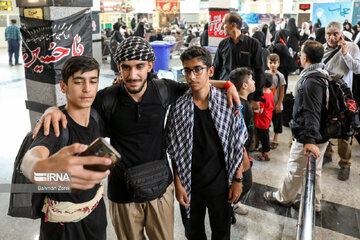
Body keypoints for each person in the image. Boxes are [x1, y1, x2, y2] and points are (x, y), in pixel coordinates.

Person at [33, 36, 241, 240]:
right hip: (123, 194)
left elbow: (198, 84)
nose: (133, 75)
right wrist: (52, 109)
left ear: (150, 65)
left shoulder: (163, 90)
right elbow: (78, 104)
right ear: (119, 67)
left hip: (160, 191)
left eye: (139, 66)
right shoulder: (108, 98)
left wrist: (228, 85)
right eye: (126, 67)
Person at [21, 56, 111, 240]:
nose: (87, 89)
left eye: (92, 82)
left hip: (96, 215)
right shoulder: (54, 126)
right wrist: (39, 169)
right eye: (78, 82)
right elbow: (30, 161)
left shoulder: (96, 116)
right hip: (64, 229)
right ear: (63, 87)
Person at [167, 46, 248, 240]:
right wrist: (178, 184)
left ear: (210, 71)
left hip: (220, 182)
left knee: (221, 232)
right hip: (190, 181)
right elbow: (175, 150)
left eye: (197, 69)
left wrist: (237, 180)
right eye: (187, 70)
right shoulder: (178, 107)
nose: (192, 76)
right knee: (194, 233)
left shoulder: (226, 102)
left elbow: (235, 145)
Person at [264, 40, 329, 213]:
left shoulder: (311, 81)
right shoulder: (322, 72)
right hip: (321, 133)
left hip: (309, 136)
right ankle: (314, 203)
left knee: (295, 168)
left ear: (305, 57)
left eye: (301, 53)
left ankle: (284, 198)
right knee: (315, 170)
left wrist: (309, 139)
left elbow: (311, 111)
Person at [321, 21, 360, 181]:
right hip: (325, 96)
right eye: (329, 34)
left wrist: (345, 54)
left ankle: (345, 163)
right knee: (325, 126)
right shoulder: (321, 49)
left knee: (345, 132)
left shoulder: (352, 47)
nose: (332, 37)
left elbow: (358, 69)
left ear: (341, 33)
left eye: (335, 34)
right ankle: (328, 154)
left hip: (344, 98)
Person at [213, 13, 265, 111]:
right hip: (225, 92)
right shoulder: (223, 44)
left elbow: (260, 71)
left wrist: (256, 98)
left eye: (223, 24)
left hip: (246, 95)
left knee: (244, 123)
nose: (221, 27)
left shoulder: (253, 44)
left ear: (233, 25)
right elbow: (216, 68)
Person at [229, 67, 255, 217]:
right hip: (241, 152)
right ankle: (231, 205)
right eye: (251, 80)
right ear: (244, 85)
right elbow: (238, 134)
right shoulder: (241, 106)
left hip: (244, 150)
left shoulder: (244, 103)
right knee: (246, 182)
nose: (254, 82)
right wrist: (244, 154)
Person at [266, 54, 286, 150]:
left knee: (277, 122)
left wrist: (279, 104)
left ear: (278, 64)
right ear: (267, 63)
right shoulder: (265, 74)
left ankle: (275, 138)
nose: (272, 65)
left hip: (276, 104)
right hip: (266, 104)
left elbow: (282, 91)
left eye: (274, 63)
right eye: (270, 63)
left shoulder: (280, 76)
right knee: (265, 121)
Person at [254, 73, 274, 161]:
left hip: (262, 120)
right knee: (265, 135)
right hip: (267, 118)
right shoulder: (270, 92)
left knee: (264, 137)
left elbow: (260, 110)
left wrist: (251, 109)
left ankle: (266, 154)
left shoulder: (262, 96)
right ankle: (265, 150)